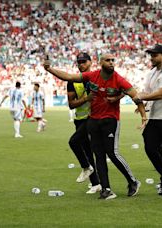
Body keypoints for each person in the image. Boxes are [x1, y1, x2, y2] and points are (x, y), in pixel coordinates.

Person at [44, 53, 147, 200]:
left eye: (113, 60)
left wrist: (143, 116)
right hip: (93, 120)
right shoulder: (92, 76)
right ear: (100, 63)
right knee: (98, 155)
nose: (111, 63)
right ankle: (106, 189)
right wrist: (50, 69)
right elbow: (69, 77)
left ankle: (133, 182)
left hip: (110, 120)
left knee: (113, 153)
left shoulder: (119, 79)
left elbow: (135, 96)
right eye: (107, 60)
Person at [134, 44, 162, 197]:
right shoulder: (151, 73)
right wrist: (143, 103)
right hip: (153, 117)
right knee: (150, 148)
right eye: (151, 55)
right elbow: (149, 92)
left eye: (155, 55)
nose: (152, 58)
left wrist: (142, 97)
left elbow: (160, 94)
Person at [67, 52, 101, 194]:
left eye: (84, 62)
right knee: (87, 151)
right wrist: (86, 99)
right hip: (79, 120)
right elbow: (71, 104)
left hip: (93, 118)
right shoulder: (72, 81)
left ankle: (87, 169)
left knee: (74, 142)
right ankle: (96, 184)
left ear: (90, 62)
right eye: (79, 62)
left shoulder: (97, 78)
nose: (81, 65)